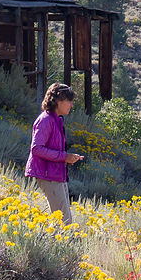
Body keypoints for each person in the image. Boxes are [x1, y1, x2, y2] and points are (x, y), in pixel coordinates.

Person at [26, 82, 83, 224]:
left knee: (62, 219)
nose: (71, 105)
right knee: (64, 222)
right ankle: (63, 245)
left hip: (56, 174)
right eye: (69, 101)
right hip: (48, 175)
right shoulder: (46, 120)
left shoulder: (56, 120)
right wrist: (65, 157)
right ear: (58, 101)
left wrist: (68, 158)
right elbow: (36, 148)